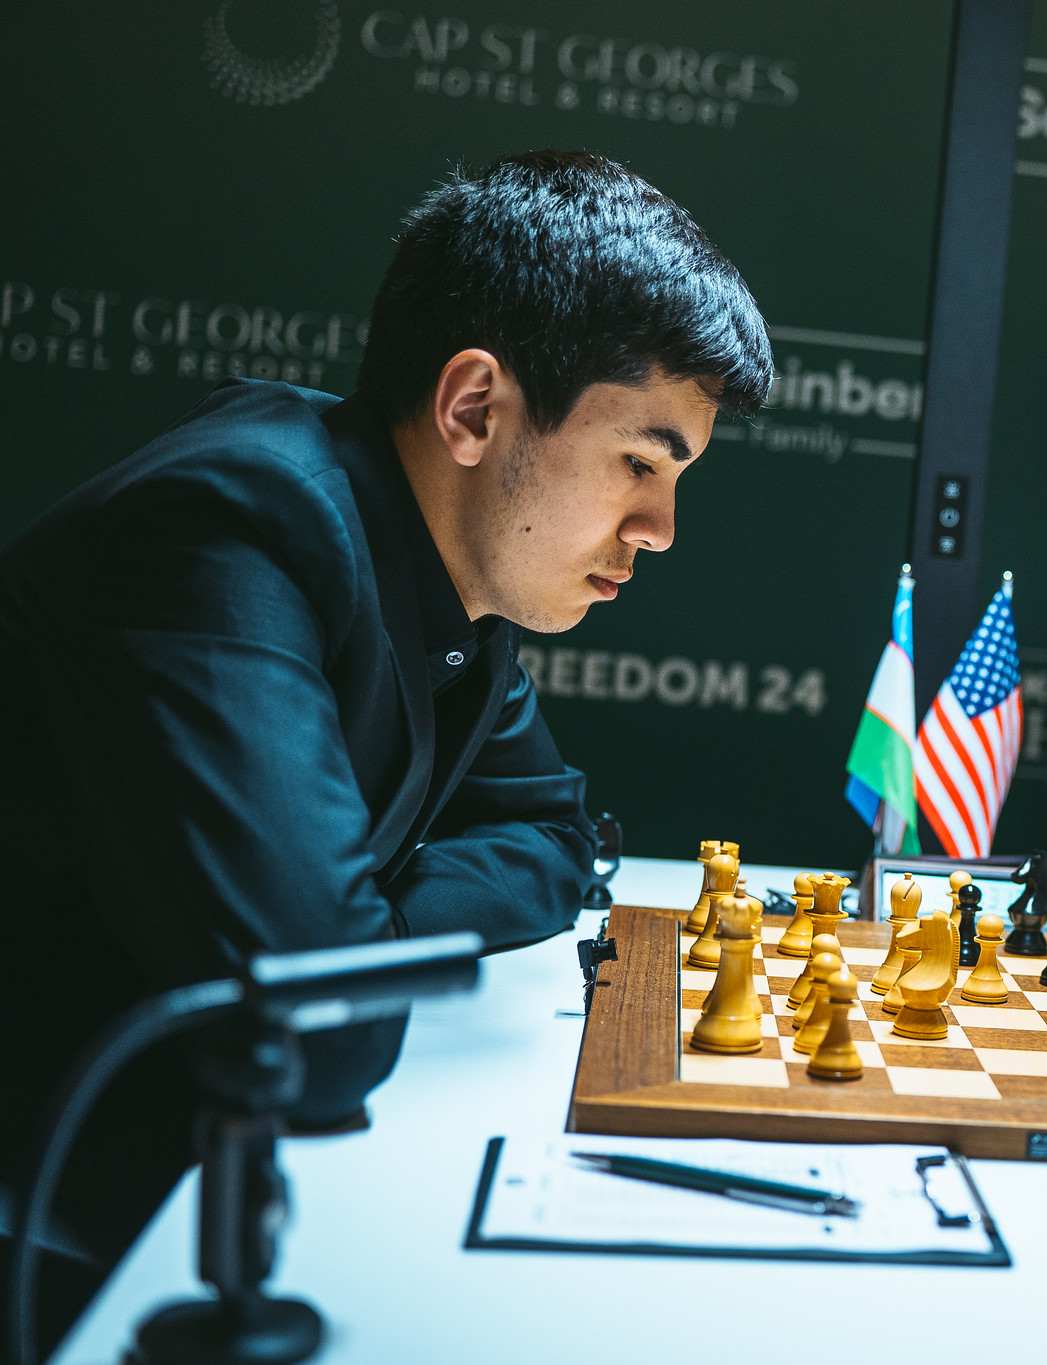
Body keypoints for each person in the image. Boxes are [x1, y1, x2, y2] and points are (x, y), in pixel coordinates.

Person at [0, 149, 772, 1346]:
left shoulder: (455, 574)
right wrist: (345, 946)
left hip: (169, 1170)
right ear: (475, 410)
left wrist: (369, 929)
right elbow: (317, 1038)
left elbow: (551, 836)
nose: (660, 529)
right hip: (55, 1221)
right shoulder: (229, 527)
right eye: (638, 462)